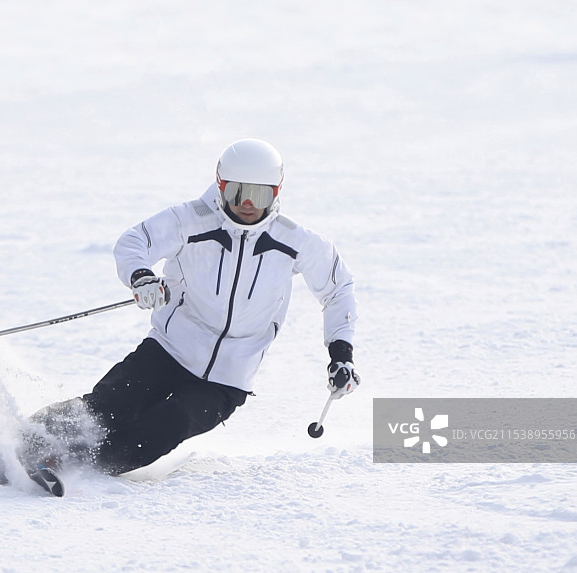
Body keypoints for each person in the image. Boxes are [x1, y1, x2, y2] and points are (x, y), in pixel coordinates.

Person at [22, 138, 360, 478]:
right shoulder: (192, 220)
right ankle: (20, 440)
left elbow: (338, 288)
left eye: (259, 195)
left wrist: (341, 353)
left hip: (229, 376)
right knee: (110, 406)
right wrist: (142, 278)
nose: (246, 204)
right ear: (220, 185)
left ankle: (77, 468)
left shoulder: (294, 241)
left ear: (277, 192)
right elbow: (134, 241)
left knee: (167, 426)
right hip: (169, 349)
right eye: (236, 192)